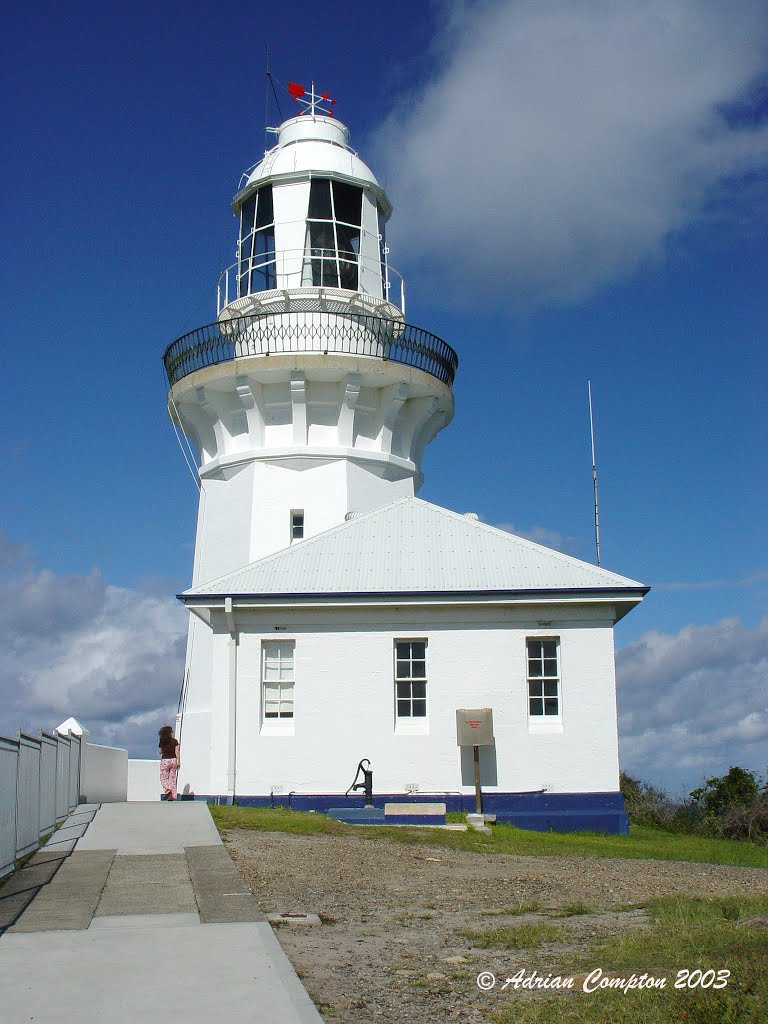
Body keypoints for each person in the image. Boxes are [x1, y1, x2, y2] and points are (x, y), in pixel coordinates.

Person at [158, 725, 181, 801]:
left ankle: (167, 789)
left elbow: (160, 752)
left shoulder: (162, 741)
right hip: (173, 760)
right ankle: (172, 797)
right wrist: (179, 761)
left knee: (163, 777)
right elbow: (177, 751)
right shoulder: (175, 741)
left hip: (165, 760)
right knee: (172, 778)